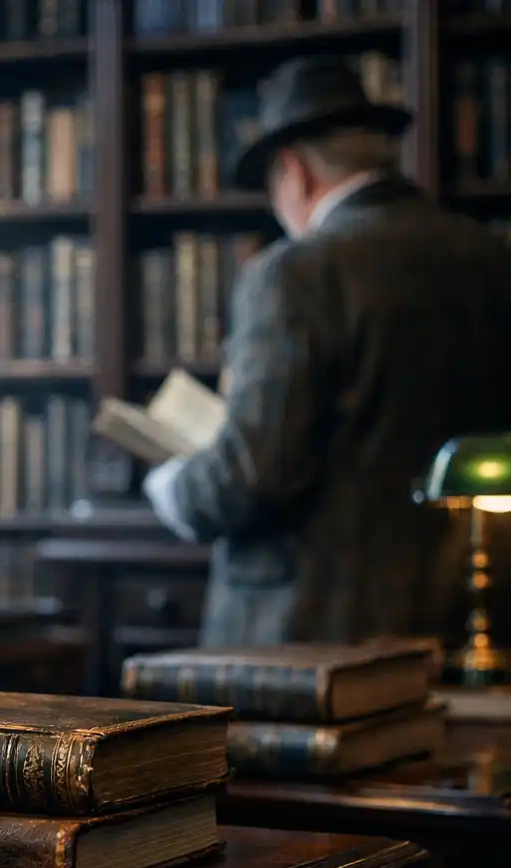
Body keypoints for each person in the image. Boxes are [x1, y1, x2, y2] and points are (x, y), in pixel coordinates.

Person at [142, 57, 511, 649]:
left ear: (292, 170)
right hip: (466, 613)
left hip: (309, 637)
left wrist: (175, 488)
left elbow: (254, 471)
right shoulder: (489, 258)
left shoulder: (296, 272)